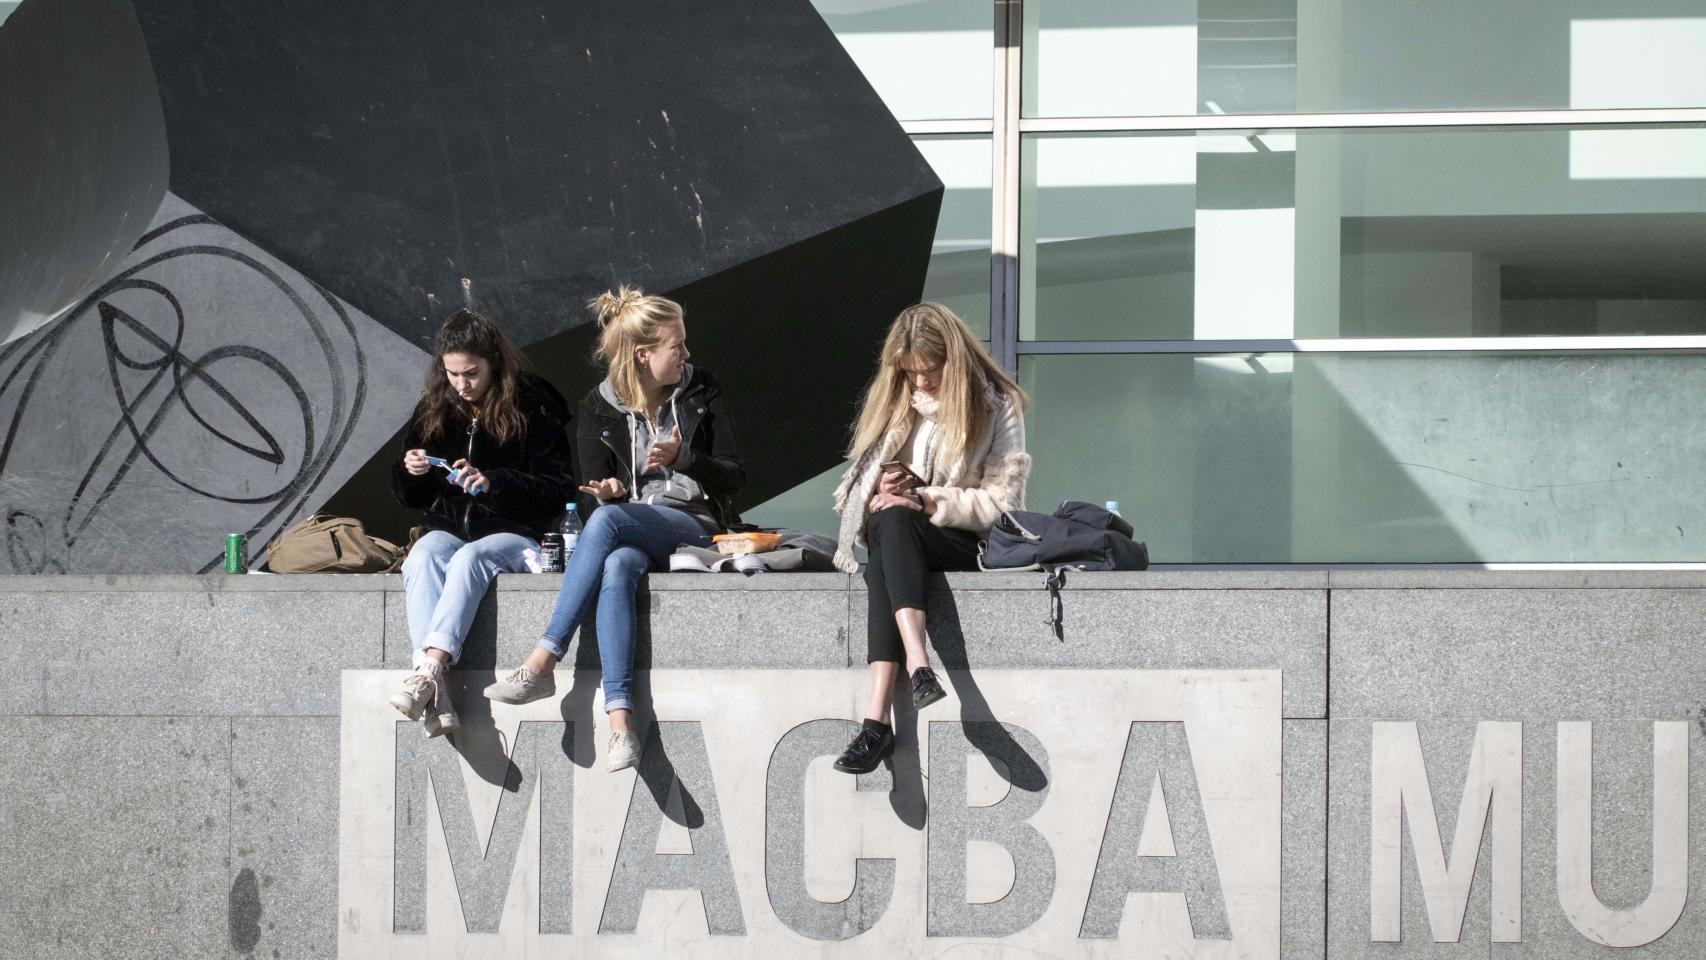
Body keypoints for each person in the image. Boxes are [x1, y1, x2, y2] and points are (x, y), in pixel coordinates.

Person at [483, 286, 746, 772]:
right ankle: (622, 723)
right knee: (619, 565)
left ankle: (543, 659)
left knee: (608, 526)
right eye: (677, 345)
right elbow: (591, 500)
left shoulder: (701, 388)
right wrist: (606, 494)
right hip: (631, 528)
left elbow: (735, 473)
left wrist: (684, 457)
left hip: (695, 524)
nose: (686, 354)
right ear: (644, 356)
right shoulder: (597, 406)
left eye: (684, 344)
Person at [829, 302, 1031, 775]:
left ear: (954, 360)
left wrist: (928, 499)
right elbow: (853, 491)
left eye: (929, 370)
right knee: (890, 528)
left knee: (894, 532)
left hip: (962, 541)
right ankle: (908, 680)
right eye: (910, 371)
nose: (920, 382)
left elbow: (1003, 506)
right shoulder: (898, 402)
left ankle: (877, 721)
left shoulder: (996, 404)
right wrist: (881, 486)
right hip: (899, 540)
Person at [386, 309, 576, 737]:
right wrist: (409, 470)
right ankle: (436, 692)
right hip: (449, 527)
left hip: (515, 534)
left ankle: (428, 671)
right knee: (424, 554)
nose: (461, 383)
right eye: (452, 373)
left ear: (494, 361)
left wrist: (495, 483)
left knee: (472, 558)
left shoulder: (534, 404)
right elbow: (407, 497)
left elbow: (561, 488)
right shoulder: (436, 406)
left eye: (470, 373)